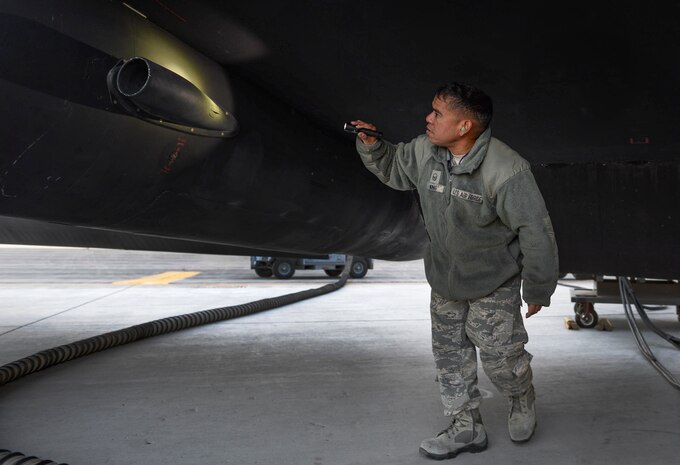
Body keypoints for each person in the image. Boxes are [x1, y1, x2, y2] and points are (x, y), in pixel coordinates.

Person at [352, 81, 559, 460]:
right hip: (445, 279)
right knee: (450, 358)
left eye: (437, 113)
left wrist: (538, 289)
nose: (428, 119)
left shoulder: (507, 170)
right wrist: (372, 147)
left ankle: (520, 397)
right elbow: (396, 167)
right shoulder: (424, 151)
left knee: (502, 359)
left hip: (494, 282)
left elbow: (536, 231)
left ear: (465, 127)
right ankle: (466, 428)